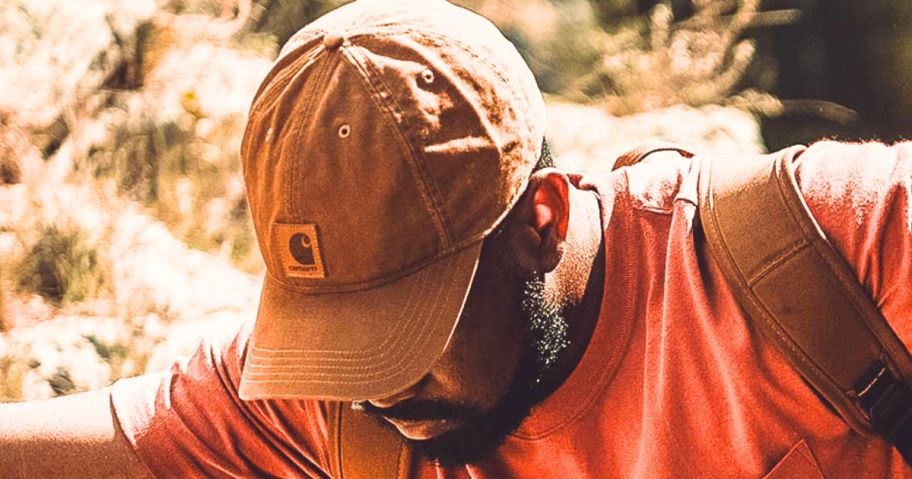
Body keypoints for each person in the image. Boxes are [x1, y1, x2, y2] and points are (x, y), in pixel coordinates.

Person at [1, 0, 911, 477]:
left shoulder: (827, 247)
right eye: (335, 335)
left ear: (541, 222)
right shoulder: (336, 400)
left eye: (409, 325)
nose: (375, 382)